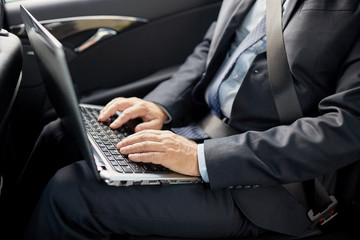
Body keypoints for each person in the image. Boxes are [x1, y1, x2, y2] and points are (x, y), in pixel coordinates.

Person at [19, 0, 360, 239]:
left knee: (73, 192)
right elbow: (211, 49)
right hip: (202, 129)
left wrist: (199, 158)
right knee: (59, 135)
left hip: (276, 184)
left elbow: (347, 127)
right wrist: (160, 106)